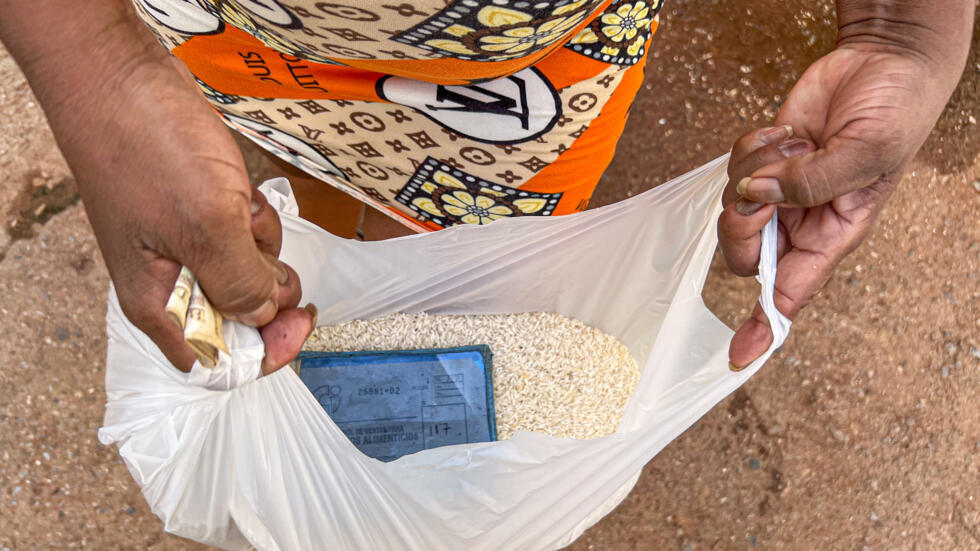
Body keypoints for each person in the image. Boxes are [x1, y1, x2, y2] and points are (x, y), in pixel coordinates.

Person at [0, 0, 972, 374]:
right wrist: (97, 67)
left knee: (464, 237)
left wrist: (901, 28)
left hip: (517, 85)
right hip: (225, 34)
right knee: (289, 167)